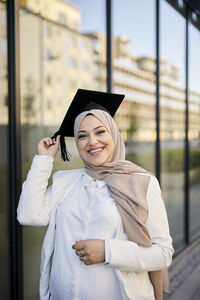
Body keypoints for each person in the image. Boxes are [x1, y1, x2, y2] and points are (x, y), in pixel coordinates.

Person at [17, 89, 174, 300]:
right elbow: (28, 215)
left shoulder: (142, 183)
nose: (92, 142)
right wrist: (44, 160)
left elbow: (163, 253)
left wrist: (108, 251)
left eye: (100, 132)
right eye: (82, 136)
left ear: (114, 134)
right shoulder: (66, 181)